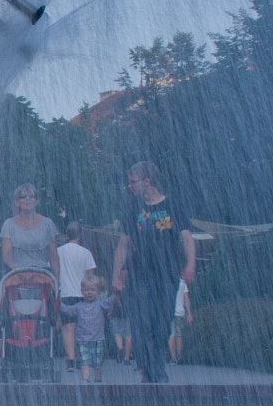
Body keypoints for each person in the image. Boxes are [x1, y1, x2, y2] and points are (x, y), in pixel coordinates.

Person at [111, 161, 196, 385]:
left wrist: (191, 265)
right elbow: (123, 245)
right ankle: (153, 371)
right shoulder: (132, 210)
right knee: (142, 325)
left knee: (161, 324)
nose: (129, 186)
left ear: (147, 181)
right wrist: (116, 276)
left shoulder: (172, 206)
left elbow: (187, 238)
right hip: (140, 275)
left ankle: (153, 368)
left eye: (133, 181)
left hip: (166, 274)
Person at [0, 185, 61, 286]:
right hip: (17, 276)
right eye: (23, 197)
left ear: (37, 201)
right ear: (17, 202)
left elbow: (54, 257)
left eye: (31, 196)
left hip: (43, 275)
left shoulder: (48, 224)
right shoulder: (9, 224)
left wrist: (56, 281)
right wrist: (14, 267)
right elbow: (7, 255)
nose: (27, 199)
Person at [62, 271, 115, 383]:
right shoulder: (79, 306)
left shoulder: (100, 304)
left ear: (98, 291)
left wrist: (116, 292)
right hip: (83, 340)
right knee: (85, 362)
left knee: (98, 363)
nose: (89, 292)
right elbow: (68, 310)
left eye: (93, 289)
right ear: (82, 292)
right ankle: (85, 381)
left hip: (98, 339)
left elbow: (111, 301)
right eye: (87, 290)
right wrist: (57, 302)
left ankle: (98, 379)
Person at [57, 221, 96, 371]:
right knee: (81, 328)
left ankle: (71, 359)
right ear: (80, 235)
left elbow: (55, 271)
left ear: (67, 235)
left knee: (68, 328)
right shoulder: (86, 253)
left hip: (65, 294)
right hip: (82, 295)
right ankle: (81, 357)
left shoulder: (59, 252)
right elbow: (90, 276)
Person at [168, 277, 192, 364]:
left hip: (169, 311)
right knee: (179, 334)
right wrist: (189, 313)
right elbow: (187, 299)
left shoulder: (167, 282)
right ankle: (179, 354)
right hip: (180, 312)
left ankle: (173, 358)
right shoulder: (183, 283)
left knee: (171, 335)